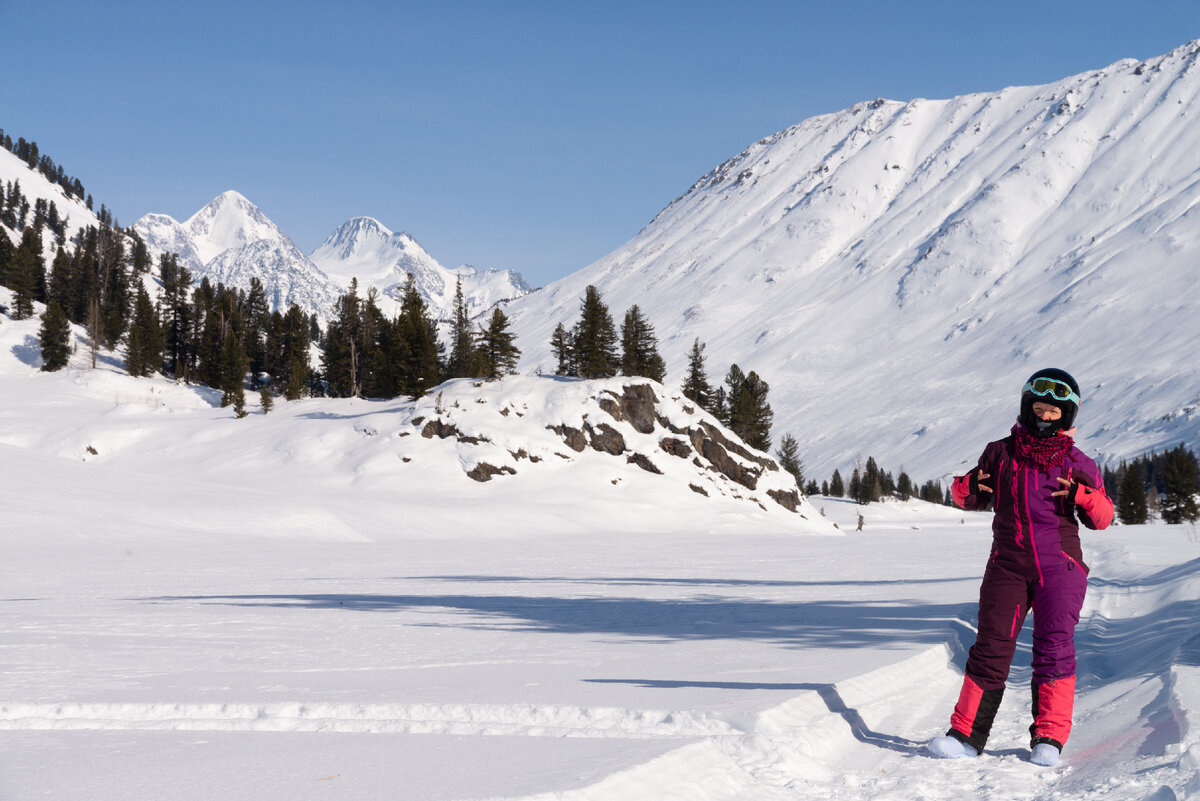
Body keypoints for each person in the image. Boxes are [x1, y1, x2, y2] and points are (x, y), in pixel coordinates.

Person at [928, 368, 1114, 767]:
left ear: (1066, 418)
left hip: (1059, 568)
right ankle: (965, 736)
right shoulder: (1000, 452)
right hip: (1006, 567)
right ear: (1026, 408)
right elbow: (967, 497)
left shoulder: (1078, 462)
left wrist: (1083, 495)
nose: (1045, 417)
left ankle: (1049, 737)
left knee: (1054, 649)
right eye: (1039, 408)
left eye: (1054, 412)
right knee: (991, 648)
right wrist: (966, 487)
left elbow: (1102, 518)